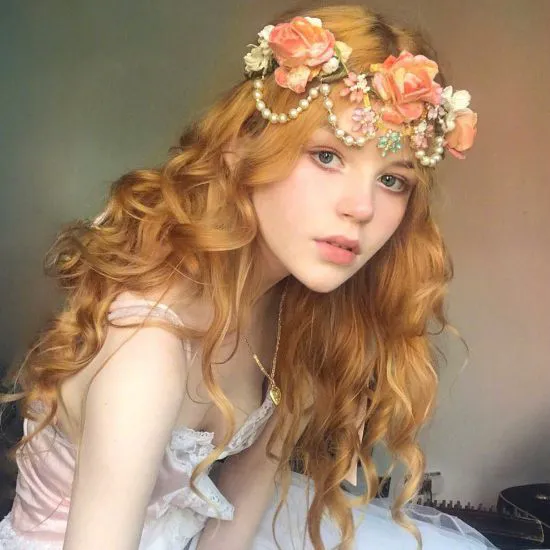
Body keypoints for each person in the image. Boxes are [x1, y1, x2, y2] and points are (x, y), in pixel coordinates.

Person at [0, 4, 486, 549]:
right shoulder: (148, 352)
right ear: (240, 151)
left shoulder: (290, 308)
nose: (361, 208)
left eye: (393, 180)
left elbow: (249, 489)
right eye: (327, 156)